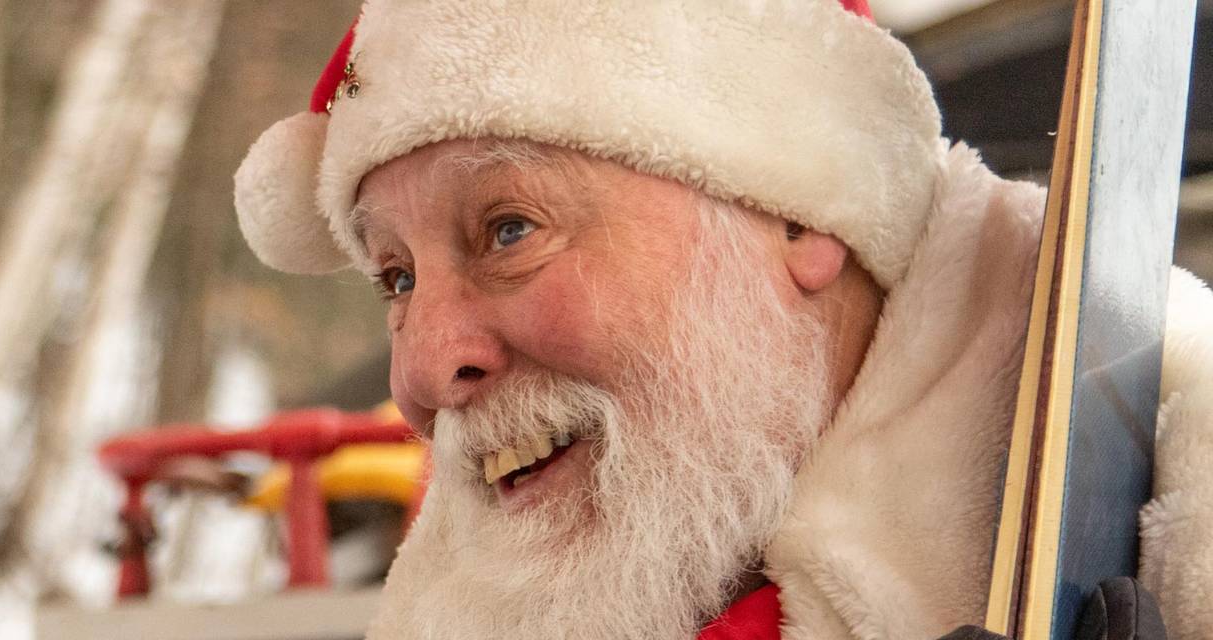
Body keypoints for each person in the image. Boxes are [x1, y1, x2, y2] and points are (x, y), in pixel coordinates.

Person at [228, 1, 1213, 638]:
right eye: (394, 278)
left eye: (510, 227)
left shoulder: (1175, 443)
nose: (421, 374)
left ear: (798, 212)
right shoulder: (457, 600)